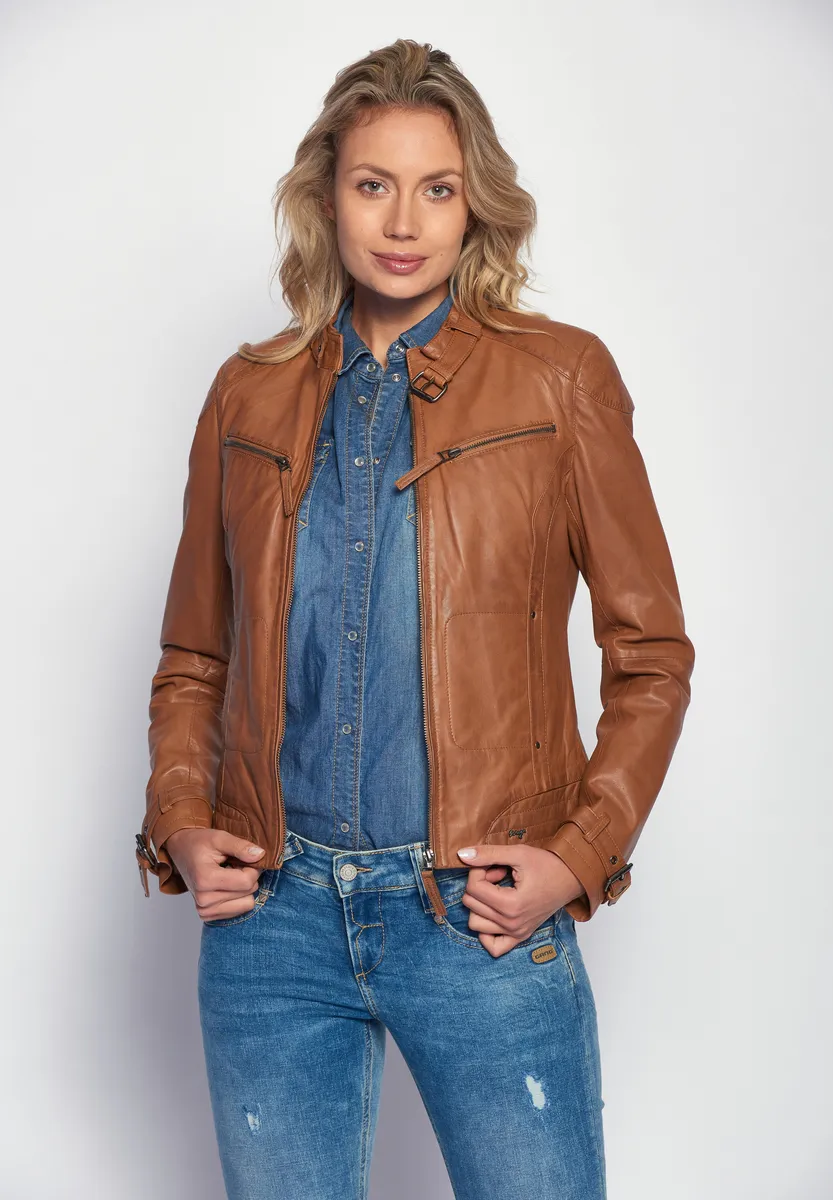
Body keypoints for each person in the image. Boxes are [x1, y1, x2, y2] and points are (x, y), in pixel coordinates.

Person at [136, 38, 695, 1200]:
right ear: (324, 199)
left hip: (476, 916)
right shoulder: (249, 390)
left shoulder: (558, 380)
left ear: (473, 203)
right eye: (372, 184)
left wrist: (577, 855)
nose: (402, 222)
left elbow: (649, 657)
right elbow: (195, 652)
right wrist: (180, 819)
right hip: (273, 922)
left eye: (436, 188)